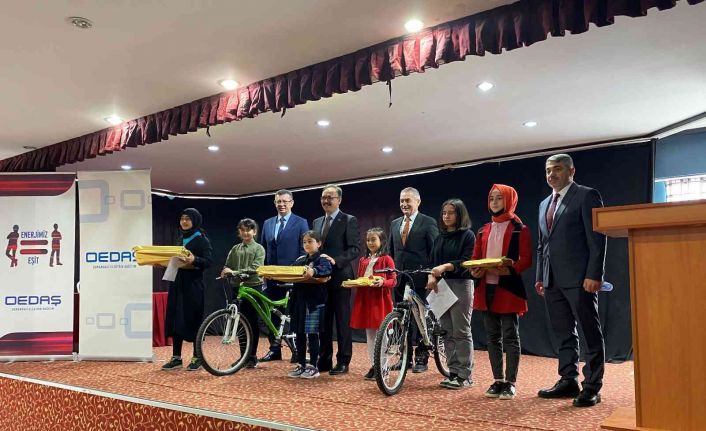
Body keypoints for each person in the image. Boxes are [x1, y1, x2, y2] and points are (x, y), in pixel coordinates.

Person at [535, 153, 607, 408]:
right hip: (552, 280)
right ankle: (568, 380)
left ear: (571, 171)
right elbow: (542, 245)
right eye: (548, 170)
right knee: (563, 333)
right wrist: (540, 276)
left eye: (557, 169)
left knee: (589, 332)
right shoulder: (544, 204)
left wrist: (594, 274)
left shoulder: (586, 196)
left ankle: (592, 386)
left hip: (580, 279)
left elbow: (597, 239)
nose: (551, 175)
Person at [471, 184, 532, 400]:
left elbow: (526, 259)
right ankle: (498, 380)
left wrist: (511, 268)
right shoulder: (482, 230)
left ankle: (510, 382)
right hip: (486, 288)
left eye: (499, 198)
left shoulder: (520, 229)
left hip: (508, 288)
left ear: (509, 200)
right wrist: (475, 270)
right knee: (492, 337)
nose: (494, 202)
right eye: (491, 198)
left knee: (510, 336)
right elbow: (475, 258)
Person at [389, 187, 439, 372]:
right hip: (400, 278)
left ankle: (422, 357)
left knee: (420, 318)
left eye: (408, 200)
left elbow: (434, 251)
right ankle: (405, 357)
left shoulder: (428, 222)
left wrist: (432, 274)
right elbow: (391, 251)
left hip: (420, 278)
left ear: (418, 202)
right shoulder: (395, 223)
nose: (404, 204)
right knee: (403, 319)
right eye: (402, 200)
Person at [427, 198, 475, 389]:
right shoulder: (440, 237)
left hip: (460, 284)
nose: (446, 216)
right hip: (441, 286)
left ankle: (465, 375)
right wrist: (432, 276)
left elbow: (466, 261)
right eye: (444, 213)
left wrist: (446, 267)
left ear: (460, 214)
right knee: (446, 331)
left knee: (461, 331)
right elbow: (432, 262)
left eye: (451, 213)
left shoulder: (467, 236)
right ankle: (453, 371)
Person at [313, 184, 360, 375]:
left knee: (341, 321)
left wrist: (336, 260)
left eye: (330, 197)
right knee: (323, 322)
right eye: (323, 197)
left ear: (339, 200)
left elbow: (354, 249)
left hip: (340, 277)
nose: (326, 201)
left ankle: (343, 361)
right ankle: (324, 359)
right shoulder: (317, 222)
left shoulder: (348, 220)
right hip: (320, 279)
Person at [259, 189, 309, 362]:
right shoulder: (268, 223)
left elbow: (304, 250)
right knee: (272, 313)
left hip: (292, 276)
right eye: (278, 201)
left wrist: (298, 271)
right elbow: (263, 249)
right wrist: (264, 271)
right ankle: (274, 349)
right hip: (272, 276)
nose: (281, 204)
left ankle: (297, 350)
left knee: (294, 314)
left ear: (291, 203)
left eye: (285, 201)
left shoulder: (301, 222)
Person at [162, 208, 213, 371]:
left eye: (188, 219)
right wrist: (161, 263)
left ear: (195, 221)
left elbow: (209, 261)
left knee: (193, 319)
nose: (184, 222)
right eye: (182, 218)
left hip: (193, 286)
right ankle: (176, 358)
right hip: (177, 284)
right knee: (176, 320)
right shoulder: (179, 238)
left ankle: (197, 357)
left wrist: (194, 260)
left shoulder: (201, 239)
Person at [350, 227, 397, 380]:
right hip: (365, 299)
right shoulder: (363, 260)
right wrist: (354, 283)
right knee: (370, 335)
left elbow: (393, 280)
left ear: (381, 241)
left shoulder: (387, 259)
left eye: (373, 239)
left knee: (381, 335)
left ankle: (383, 367)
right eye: (368, 240)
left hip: (380, 300)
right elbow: (361, 278)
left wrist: (383, 282)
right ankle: (375, 365)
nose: (370, 242)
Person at [220, 218, 266, 368]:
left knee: (252, 322)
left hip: (253, 287)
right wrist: (226, 271)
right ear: (239, 232)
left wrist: (234, 272)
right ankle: (243, 356)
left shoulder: (259, 248)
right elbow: (228, 265)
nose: (246, 233)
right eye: (243, 230)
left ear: (254, 232)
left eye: (249, 230)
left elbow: (255, 268)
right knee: (240, 323)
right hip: (237, 288)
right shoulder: (235, 249)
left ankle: (252, 356)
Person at [287, 230, 333, 379]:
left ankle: (313, 366)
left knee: (312, 334)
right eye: (304, 242)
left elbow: (326, 270)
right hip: (298, 302)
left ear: (319, 243)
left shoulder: (322, 259)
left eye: (310, 241)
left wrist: (313, 271)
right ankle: (301, 364)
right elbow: (290, 271)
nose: (307, 244)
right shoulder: (300, 260)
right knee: (299, 333)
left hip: (313, 303)